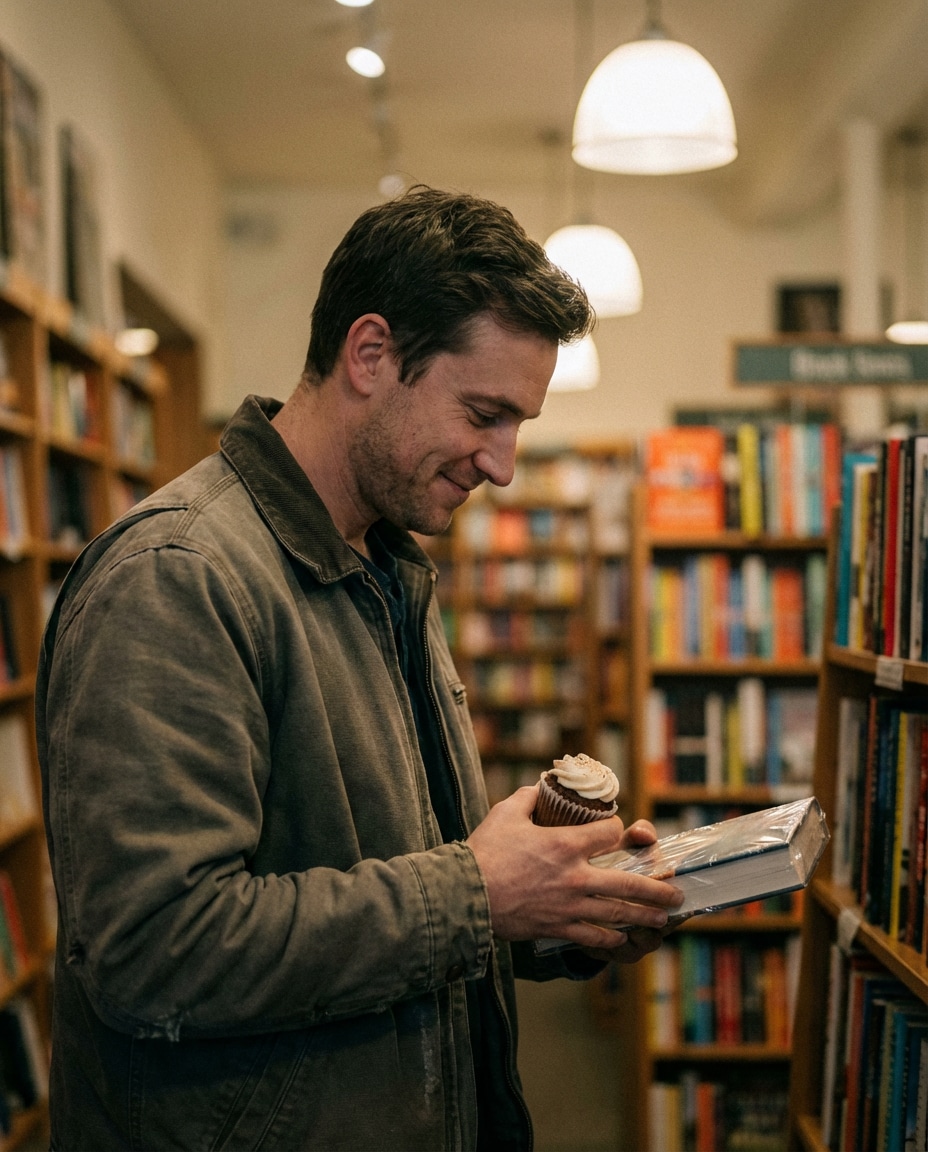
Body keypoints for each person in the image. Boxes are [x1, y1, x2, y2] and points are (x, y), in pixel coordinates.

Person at [36, 186, 683, 1151]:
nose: (502, 464)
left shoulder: (382, 566)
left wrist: (558, 912)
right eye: (483, 412)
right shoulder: (177, 577)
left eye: (519, 424)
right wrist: (479, 893)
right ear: (371, 354)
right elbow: (152, 953)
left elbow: (385, 870)